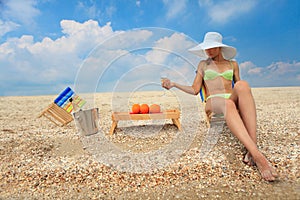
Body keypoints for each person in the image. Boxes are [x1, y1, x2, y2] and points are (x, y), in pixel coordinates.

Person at [161, 32, 278, 181]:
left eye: (212, 47)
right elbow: (195, 89)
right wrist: (174, 84)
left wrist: (240, 97)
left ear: (220, 47)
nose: (208, 51)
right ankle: (258, 156)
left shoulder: (233, 64)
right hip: (213, 102)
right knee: (227, 103)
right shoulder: (203, 65)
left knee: (243, 85)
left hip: (230, 99)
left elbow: (240, 90)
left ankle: (251, 148)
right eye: (206, 48)